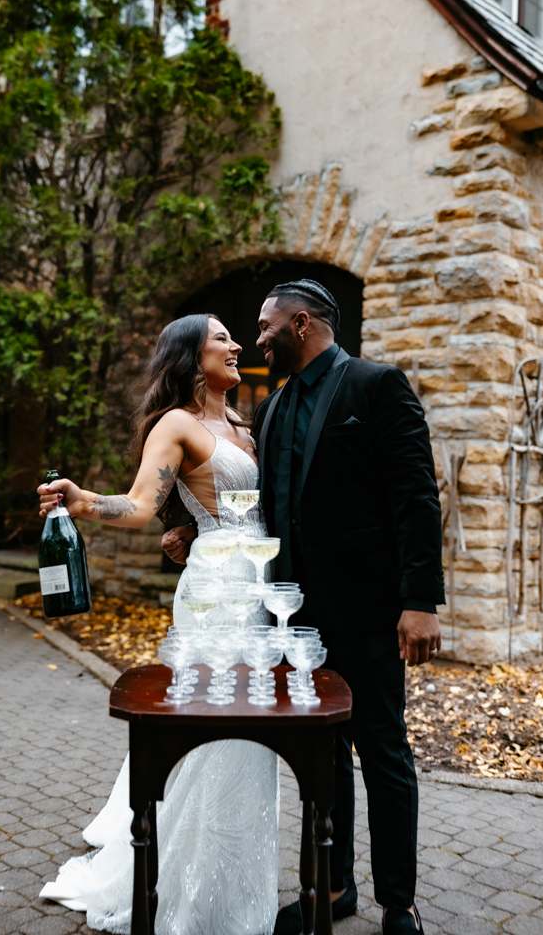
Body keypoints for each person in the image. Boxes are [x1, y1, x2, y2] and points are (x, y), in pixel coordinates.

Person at [163, 280, 445, 935]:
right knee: (324, 758)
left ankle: (396, 903)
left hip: (371, 615)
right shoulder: (275, 408)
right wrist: (185, 527)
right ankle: (334, 887)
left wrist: (418, 601)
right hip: (293, 619)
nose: (256, 338)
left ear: (300, 322)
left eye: (263, 326)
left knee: (381, 752)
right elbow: (258, 504)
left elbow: (414, 497)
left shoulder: (376, 386)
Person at [36, 314, 279, 935]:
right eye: (222, 337)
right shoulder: (177, 424)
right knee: (216, 727)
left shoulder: (246, 422)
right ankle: (190, 890)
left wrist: (194, 524)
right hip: (219, 593)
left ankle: (233, 882)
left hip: (261, 586)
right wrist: (82, 501)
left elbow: (249, 505)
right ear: (190, 357)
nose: (236, 346)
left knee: (255, 735)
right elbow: (143, 505)